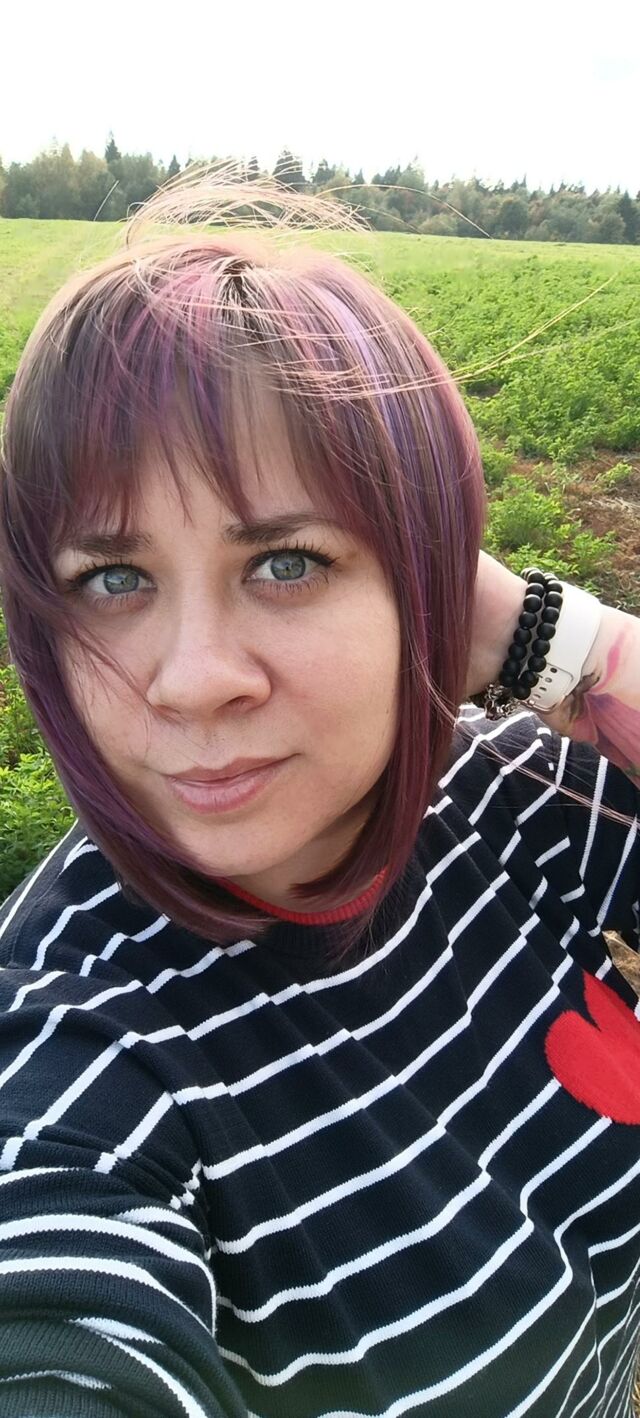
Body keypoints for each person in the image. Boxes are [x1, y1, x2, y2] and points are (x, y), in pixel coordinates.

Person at [0, 170, 638, 1418]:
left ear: (425, 580)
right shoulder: (77, 1053)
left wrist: (528, 632)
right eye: (113, 580)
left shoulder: (523, 802)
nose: (193, 679)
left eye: (287, 560)